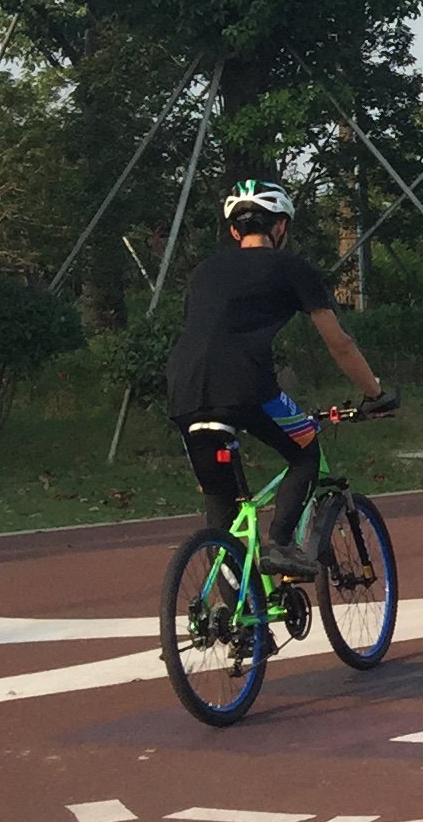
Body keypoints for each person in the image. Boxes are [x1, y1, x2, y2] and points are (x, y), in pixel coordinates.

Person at [164, 180, 393, 576]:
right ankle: (282, 544)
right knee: (306, 447)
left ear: (235, 231)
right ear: (281, 227)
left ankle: (244, 630)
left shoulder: (204, 271)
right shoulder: (291, 268)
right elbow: (339, 344)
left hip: (183, 389)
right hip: (247, 386)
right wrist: (375, 392)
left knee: (221, 509)